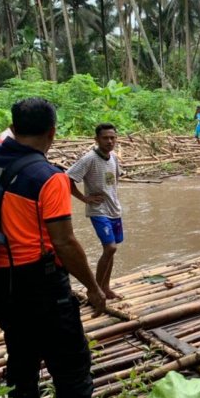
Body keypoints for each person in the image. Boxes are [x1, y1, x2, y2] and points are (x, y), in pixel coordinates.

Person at [0, 97, 106, 398]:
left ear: (12, 127)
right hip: (40, 284)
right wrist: (93, 287)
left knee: (21, 357)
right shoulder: (50, 178)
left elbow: (4, 139)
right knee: (72, 368)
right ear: (52, 133)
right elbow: (64, 242)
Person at [67, 123, 124, 300]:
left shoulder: (113, 157)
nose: (109, 141)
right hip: (98, 210)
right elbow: (68, 179)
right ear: (97, 139)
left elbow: (114, 181)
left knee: (112, 249)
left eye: (112, 137)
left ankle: (105, 287)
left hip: (114, 209)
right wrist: (85, 198)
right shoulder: (89, 159)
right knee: (110, 248)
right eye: (105, 138)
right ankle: (96, 291)